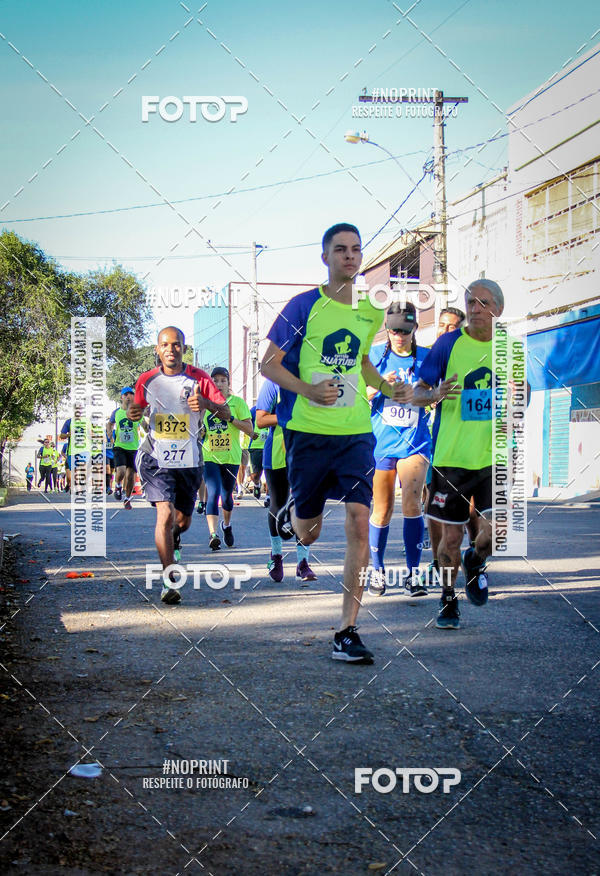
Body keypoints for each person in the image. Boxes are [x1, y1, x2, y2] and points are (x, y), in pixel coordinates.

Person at [261, 222, 411, 664]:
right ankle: (295, 511)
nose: (349, 256)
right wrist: (306, 390)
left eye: (355, 250)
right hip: (308, 433)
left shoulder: (368, 312)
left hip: (355, 434)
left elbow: (362, 361)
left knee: (359, 523)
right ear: (325, 258)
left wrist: (386, 386)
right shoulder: (302, 306)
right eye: (340, 249)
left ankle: (347, 630)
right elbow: (268, 363)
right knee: (309, 531)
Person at [413, 279, 505, 629]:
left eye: (483, 302)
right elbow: (417, 393)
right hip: (450, 458)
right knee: (449, 537)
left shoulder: (509, 347)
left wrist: (518, 392)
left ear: (498, 308)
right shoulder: (448, 343)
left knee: (495, 535)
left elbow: (522, 397)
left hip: (493, 457)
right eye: (471, 302)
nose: (476, 308)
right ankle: (448, 599)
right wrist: (435, 393)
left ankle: (475, 559)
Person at [128, 327, 230, 604]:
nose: (171, 350)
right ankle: (169, 579)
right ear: (157, 350)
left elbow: (227, 412)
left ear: (184, 349)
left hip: (188, 461)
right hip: (156, 459)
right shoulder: (147, 379)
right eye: (165, 345)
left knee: (181, 523)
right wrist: (133, 412)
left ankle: (173, 538)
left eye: (176, 345)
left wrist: (207, 403)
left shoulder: (200, 378)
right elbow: (135, 410)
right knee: (164, 514)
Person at [367, 301, 431, 597]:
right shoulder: (375, 359)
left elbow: (438, 394)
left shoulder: (427, 359)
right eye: (394, 330)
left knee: (412, 504)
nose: (399, 336)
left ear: (415, 329)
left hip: (415, 440)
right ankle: (377, 571)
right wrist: (381, 385)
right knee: (382, 509)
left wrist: (423, 394)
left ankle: (413, 575)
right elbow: (356, 395)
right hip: (382, 442)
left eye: (405, 331)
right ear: (387, 329)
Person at [256, 378, 317, 584]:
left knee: (304, 506)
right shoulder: (274, 382)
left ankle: (303, 563)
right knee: (278, 504)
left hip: (306, 451)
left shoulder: (313, 377)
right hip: (277, 453)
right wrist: (290, 416)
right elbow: (261, 420)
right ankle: (276, 556)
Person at [201, 367, 253, 551]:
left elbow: (250, 429)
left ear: (228, 383)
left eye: (223, 380)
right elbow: (199, 428)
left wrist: (230, 418)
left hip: (231, 457)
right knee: (213, 494)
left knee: (227, 498)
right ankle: (213, 535)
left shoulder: (237, 403)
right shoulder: (205, 404)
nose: (219, 384)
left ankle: (227, 525)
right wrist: (200, 431)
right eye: (215, 380)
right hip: (210, 456)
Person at [108, 388, 140, 510]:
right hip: (119, 446)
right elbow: (110, 423)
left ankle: (127, 498)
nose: (128, 396)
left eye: (131, 394)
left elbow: (144, 424)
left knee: (131, 475)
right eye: (125, 394)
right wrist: (109, 432)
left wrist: (148, 427)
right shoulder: (116, 412)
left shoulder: (136, 412)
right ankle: (117, 486)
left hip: (133, 448)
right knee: (121, 470)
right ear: (121, 397)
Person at [248, 406, 268, 500]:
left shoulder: (276, 407)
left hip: (271, 445)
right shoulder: (254, 410)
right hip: (256, 446)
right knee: (255, 475)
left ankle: (268, 496)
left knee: (270, 472)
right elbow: (246, 423)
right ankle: (257, 484)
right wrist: (250, 433)